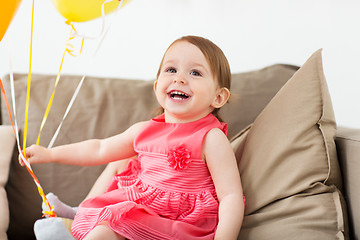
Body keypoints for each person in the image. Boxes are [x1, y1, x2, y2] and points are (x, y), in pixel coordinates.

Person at [22, 35, 245, 240]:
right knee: (120, 165)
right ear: (157, 87)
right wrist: (50, 153)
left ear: (218, 97)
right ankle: (80, 214)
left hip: (178, 221)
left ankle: (78, 225)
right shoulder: (144, 130)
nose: (179, 79)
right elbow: (99, 148)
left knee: (109, 224)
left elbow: (231, 196)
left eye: (195, 73)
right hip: (141, 208)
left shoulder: (211, 138)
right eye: (171, 70)